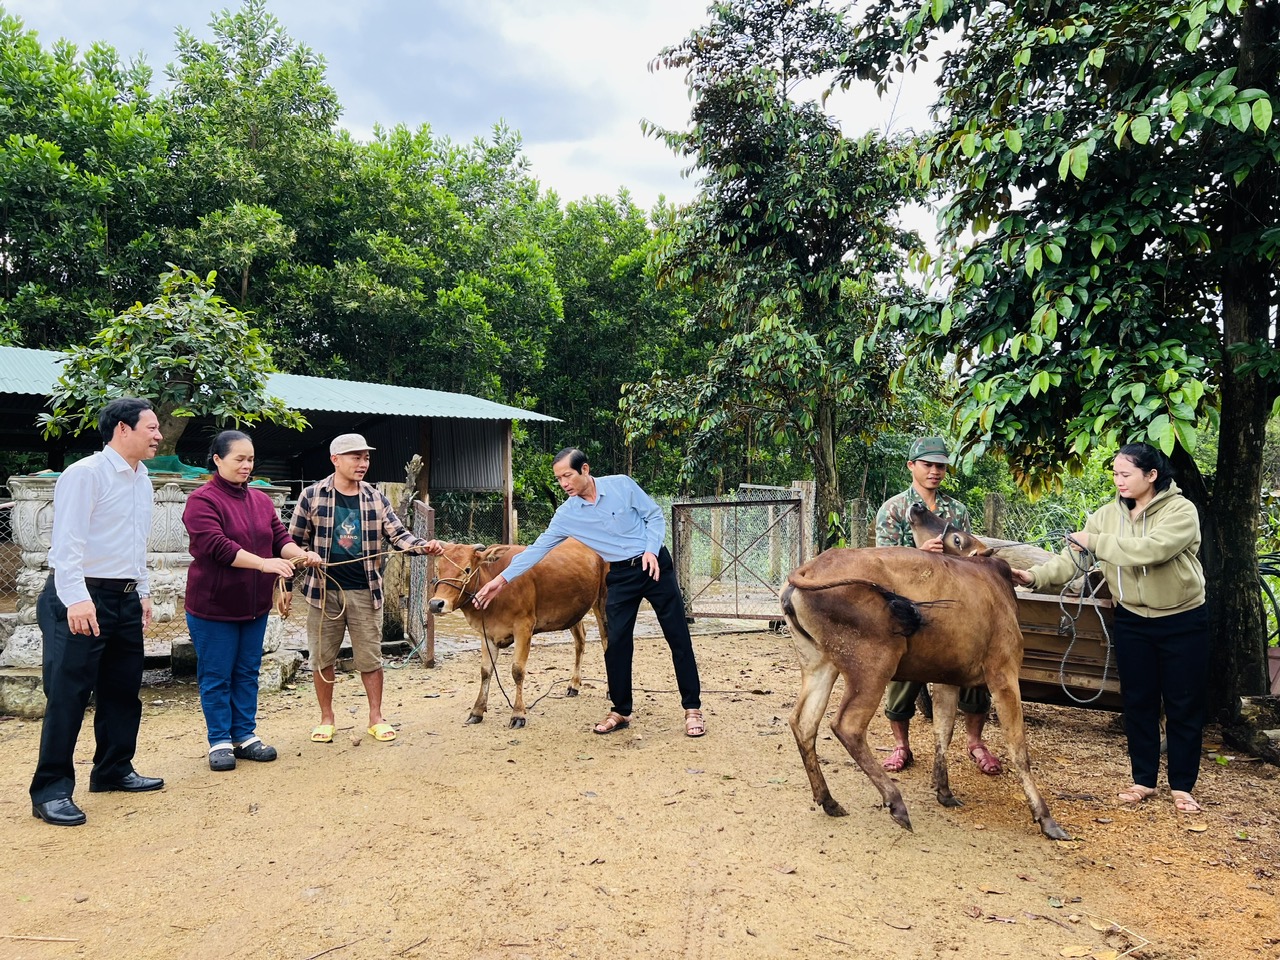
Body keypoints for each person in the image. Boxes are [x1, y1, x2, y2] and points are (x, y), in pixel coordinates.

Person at [1012, 442, 1209, 813]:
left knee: (1184, 703)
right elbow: (1073, 557)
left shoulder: (1181, 511)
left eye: (1126, 474)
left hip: (1182, 619)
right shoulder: (1105, 515)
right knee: (1138, 701)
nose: (1118, 480)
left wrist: (1095, 542)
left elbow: (1151, 550)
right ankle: (1143, 781)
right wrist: (1035, 577)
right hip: (1133, 619)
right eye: (1115, 474)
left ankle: (1182, 786)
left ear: (1151, 475)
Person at [472, 447, 705, 737]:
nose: (563, 483)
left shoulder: (621, 484)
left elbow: (654, 516)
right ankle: (620, 711)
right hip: (619, 574)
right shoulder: (567, 514)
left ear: (585, 470)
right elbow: (537, 550)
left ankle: (692, 708)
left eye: (567, 475)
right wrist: (500, 581)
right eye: (558, 479)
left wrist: (650, 549)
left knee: (677, 636)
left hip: (655, 564)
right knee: (617, 642)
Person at [29, 398, 166, 826]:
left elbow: (134, 541)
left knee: (123, 689)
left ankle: (113, 769)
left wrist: (140, 590)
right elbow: (66, 544)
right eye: (152, 427)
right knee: (68, 694)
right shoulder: (85, 474)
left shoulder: (142, 478)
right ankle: (50, 790)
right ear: (123, 429)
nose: (158, 435)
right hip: (80, 595)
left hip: (123, 597)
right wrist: (77, 598)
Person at [289, 433, 443, 744]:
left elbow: (399, 536)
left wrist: (422, 546)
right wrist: (304, 557)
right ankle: (326, 718)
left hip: (365, 590)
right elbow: (292, 542)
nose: (363, 463)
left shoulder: (375, 497)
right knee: (323, 657)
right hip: (323, 591)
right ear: (335, 460)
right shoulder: (312, 495)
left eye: (366, 458)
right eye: (355, 457)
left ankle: (376, 717)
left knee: (370, 658)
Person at [183, 431, 322, 772]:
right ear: (217, 460)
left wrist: (301, 555)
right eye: (239, 459)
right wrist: (263, 563)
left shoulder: (260, 501)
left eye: (250, 459)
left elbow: (280, 539)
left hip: (253, 604)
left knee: (247, 671)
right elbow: (217, 545)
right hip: (213, 606)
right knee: (216, 674)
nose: (247, 466)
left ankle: (244, 735)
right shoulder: (202, 501)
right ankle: (219, 740)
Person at [874, 436, 1003, 776]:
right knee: (902, 676)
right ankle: (901, 745)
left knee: (975, 673)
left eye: (940, 466)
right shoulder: (892, 509)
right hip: (910, 606)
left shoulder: (957, 510)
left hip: (954, 605)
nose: (934, 471)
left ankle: (975, 741)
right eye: (928, 464)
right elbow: (883, 564)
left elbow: (970, 559)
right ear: (911, 466)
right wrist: (919, 553)